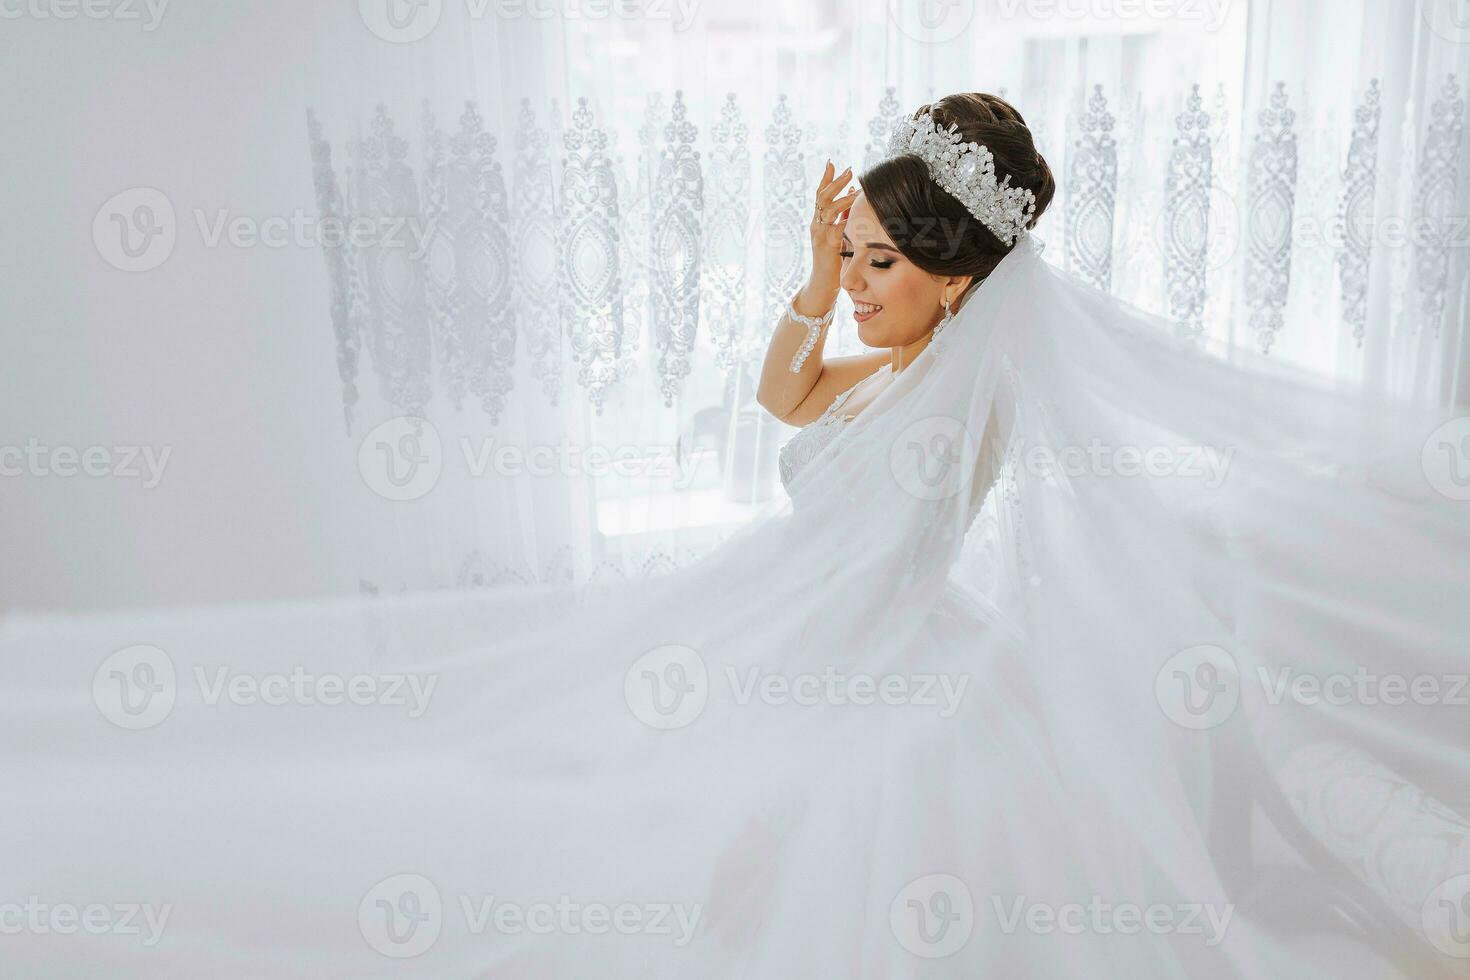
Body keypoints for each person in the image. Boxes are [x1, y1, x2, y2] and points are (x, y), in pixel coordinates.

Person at [4, 92, 1468, 979]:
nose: (862, 285)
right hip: (803, 629)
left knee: (744, 868)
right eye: (860, 260)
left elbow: (906, 520)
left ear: (959, 278)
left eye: (884, 265)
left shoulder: (971, 391)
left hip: (883, 663)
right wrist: (812, 268)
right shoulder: (894, 362)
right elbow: (782, 398)